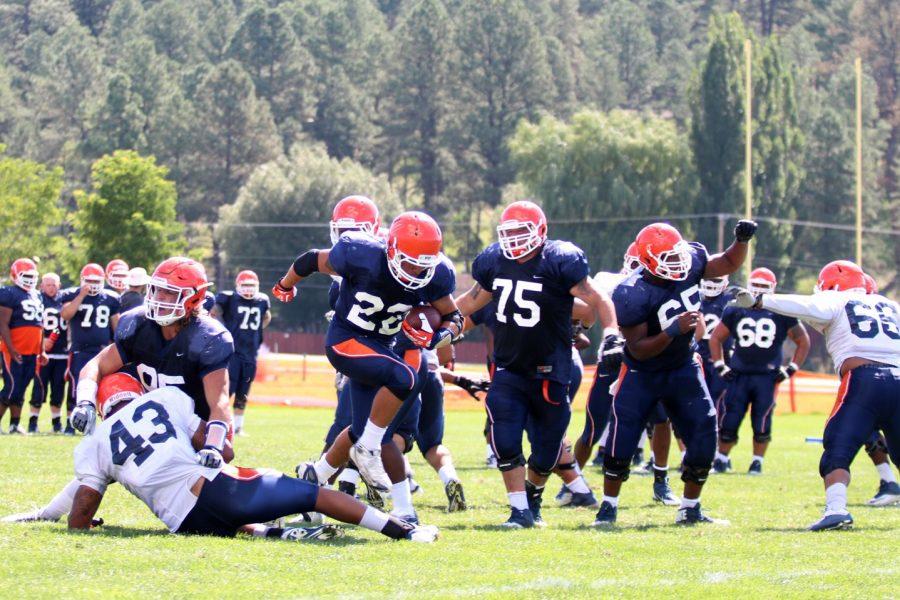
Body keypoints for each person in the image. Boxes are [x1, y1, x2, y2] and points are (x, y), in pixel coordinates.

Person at [49, 372, 439, 542]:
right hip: (218, 492)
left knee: (235, 520)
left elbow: (80, 514)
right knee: (311, 493)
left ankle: (273, 530)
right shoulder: (162, 398)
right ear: (136, 390)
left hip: (184, 524)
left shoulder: (94, 444)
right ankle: (401, 530)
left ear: (101, 407)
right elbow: (219, 446)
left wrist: (86, 525)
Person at [455, 200, 621, 528]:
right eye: (509, 232)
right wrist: (433, 317)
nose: (515, 239)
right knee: (504, 438)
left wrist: (612, 333)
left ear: (540, 231)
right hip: (508, 367)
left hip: (551, 369)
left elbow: (597, 300)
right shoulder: (493, 261)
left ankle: (533, 499)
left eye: (522, 231)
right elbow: (471, 301)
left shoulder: (559, 261)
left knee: (546, 450)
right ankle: (518, 511)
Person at [273, 211, 461, 492]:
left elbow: (454, 318)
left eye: (422, 266)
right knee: (404, 378)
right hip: (345, 341)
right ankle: (368, 451)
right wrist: (285, 285)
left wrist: (438, 339)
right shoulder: (361, 254)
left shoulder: (435, 276)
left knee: (358, 427)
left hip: (381, 348)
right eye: (409, 264)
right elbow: (311, 259)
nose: (415, 272)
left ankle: (316, 479)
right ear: (392, 250)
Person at [593, 219, 756, 527]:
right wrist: (671, 331)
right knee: (623, 438)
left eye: (677, 254)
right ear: (648, 261)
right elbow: (638, 348)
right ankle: (608, 506)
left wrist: (741, 242)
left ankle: (690, 508)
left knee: (706, 430)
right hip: (642, 371)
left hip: (683, 365)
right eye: (667, 258)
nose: (678, 262)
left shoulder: (691, 259)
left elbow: (725, 263)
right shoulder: (631, 292)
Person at [730, 260, 900, 531]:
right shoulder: (890, 305)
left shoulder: (837, 300)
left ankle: (836, 510)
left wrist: (760, 301)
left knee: (837, 446)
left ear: (832, 286)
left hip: (864, 379)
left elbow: (805, 306)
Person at [69, 257, 234, 474]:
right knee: (114, 382)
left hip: (198, 424)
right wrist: (85, 402)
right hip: (156, 421)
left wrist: (212, 445)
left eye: (170, 293)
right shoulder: (138, 324)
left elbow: (219, 402)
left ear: (193, 298)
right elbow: (96, 365)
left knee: (224, 452)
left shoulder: (209, 337)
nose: (160, 298)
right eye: (157, 290)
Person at [709, 268, 809, 474]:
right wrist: (720, 364)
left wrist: (791, 369)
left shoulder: (782, 312)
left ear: (773, 289)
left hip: (767, 376)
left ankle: (757, 462)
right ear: (749, 285)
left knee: (762, 420)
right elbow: (716, 337)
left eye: (764, 287)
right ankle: (721, 459)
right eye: (757, 285)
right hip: (739, 374)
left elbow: (802, 340)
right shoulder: (735, 309)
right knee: (730, 419)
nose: (760, 290)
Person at [60, 264, 121, 429]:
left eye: (96, 280)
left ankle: (98, 420)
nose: (93, 284)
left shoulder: (110, 298)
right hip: (79, 348)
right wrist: (81, 295)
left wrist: (119, 344)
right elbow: (66, 314)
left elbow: (117, 325)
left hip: (101, 350)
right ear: (82, 280)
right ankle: (69, 423)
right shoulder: (72, 294)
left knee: (103, 384)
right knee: (76, 384)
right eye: (89, 280)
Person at [212, 270, 271, 436]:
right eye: (245, 285)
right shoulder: (229, 298)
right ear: (237, 285)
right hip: (232, 353)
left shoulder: (262, 300)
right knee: (227, 390)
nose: (248, 288)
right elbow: (214, 310)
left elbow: (266, 318)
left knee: (243, 392)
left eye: (251, 285)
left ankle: (238, 427)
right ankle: (220, 423)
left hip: (251, 353)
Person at [0, 258, 44, 433]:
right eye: (25, 275)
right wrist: (11, 348)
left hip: (32, 351)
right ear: (15, 275)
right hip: (14, 350)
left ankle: (14, 424)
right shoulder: (9, 293)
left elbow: (39, 326)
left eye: (32, 276)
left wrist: (42, 351)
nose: (29, 279)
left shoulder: (36, 294)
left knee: (21, 388)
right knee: (11, 387)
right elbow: (2, 323)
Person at [28, 273, 69, 433]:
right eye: (48, 285)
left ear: (59, 285)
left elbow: (61, 324)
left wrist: (53, 335)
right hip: (42, 354)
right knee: (39, 388)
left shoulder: (64, 299)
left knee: (58, 389)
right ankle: (32, 423)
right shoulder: (37, 300)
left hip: (62, 352)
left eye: (54, 284)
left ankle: (56, 423)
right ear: (42, 286)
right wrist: (43, 340)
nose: (51, 288)